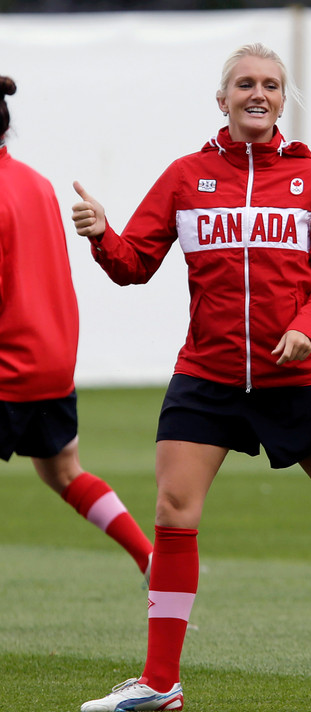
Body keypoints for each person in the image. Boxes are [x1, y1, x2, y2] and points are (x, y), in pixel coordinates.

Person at [71, 43, 311, 712]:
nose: (258, 93)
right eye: (244, 83)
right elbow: (134, 264)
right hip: (208, 375)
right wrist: (103, 234)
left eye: (271, 85)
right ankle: (161, 681)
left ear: (281, 100)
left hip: (297, 376)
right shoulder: (186, 177)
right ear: (222, 99)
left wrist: (307, 323)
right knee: (171, 512)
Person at [0, 76, 154, 584]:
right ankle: (150, 559)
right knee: (64, 472)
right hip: (50, 362)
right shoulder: (37, 183)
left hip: (8, 364)